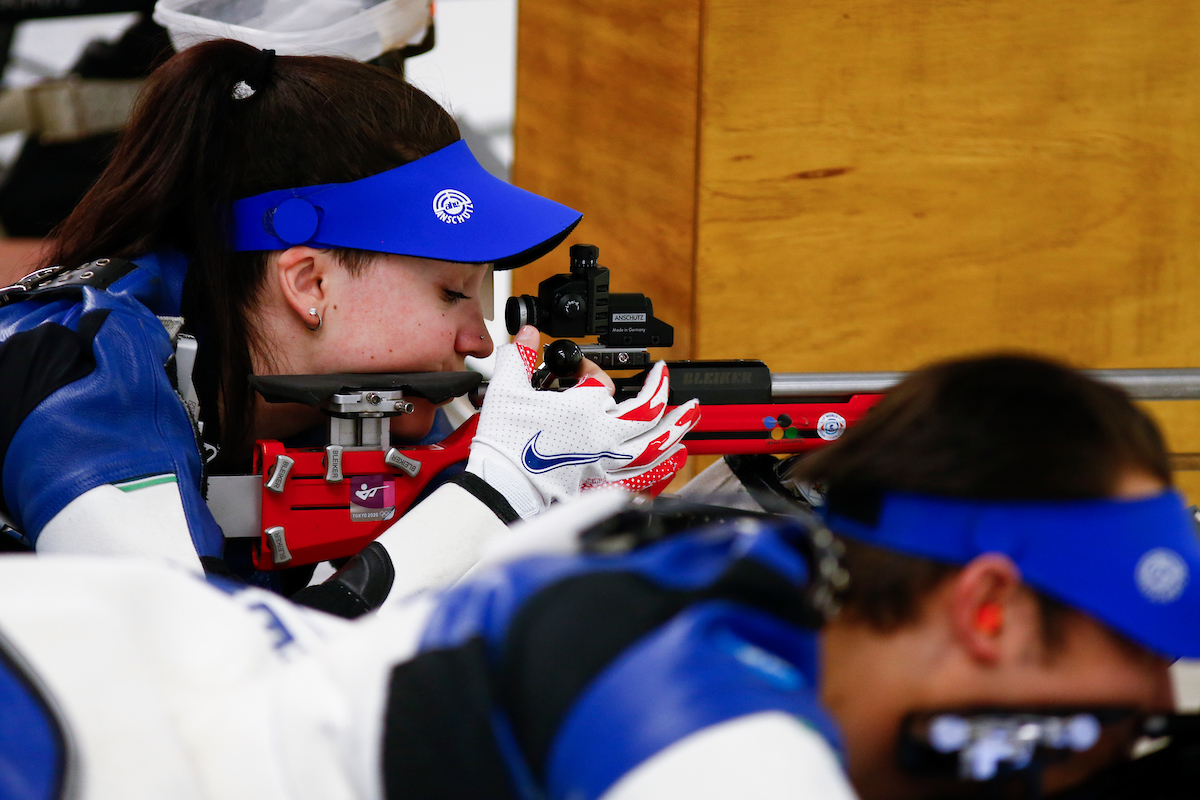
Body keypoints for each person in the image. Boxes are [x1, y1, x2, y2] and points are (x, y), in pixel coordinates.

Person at [0, 354, 1194, 799]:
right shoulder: (704, 704)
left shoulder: (742, 571)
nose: (1150, 700)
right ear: (987, 606)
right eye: (1141, 648)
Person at [0, 39, 698, 603]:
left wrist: (558, 528)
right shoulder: (85, 376)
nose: (480, 338)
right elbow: (208, 692)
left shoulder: (335, 393)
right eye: (451, 292)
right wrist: (495, 493)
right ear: (310, 283)